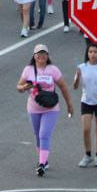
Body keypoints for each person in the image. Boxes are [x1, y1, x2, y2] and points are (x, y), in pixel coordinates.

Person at [18, 44, 74, 177]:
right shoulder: (28, 70)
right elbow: (18, 86)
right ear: (34, 56)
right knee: (38, 135)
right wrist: (25, 87)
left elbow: (64, 88)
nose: (41, 56)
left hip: (51, 108)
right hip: (33, 108)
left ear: (47, 56)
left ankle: (41, 164)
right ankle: (44, 159)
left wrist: (69, 105)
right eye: (38, 54)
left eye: (44, 53)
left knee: (44, 134)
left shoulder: (53, 70)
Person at [72, 44, 97, 168]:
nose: (93, 54)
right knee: (86, 129)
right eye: (90, 52)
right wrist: (78, 77)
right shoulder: (82, 67)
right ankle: (87, 155)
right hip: (86, 101)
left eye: (95, 52)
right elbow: (75, 86)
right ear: (87, 53)